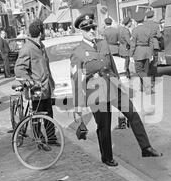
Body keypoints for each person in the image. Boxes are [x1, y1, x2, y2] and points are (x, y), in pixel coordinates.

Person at [70, 13, 161, 167]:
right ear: (81, 31)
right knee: (104, 126)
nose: (92, 31)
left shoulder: (103, 43)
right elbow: (76, 81)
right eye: (87, 29)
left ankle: (146, 147)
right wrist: (78, 110)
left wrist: (120, 84)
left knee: (133, 114)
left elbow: (111, 66)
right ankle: (106, 157)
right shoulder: (78, 52)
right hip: (96, 92)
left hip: (113, 86)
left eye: (93, 27)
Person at [14, 19, 59, 145]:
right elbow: (19, 68)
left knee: (48, 113)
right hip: (36, 88)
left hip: (45, 86)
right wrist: (29, 82)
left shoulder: (41, 46)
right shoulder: (28, 48)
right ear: (41, 33)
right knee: (38, 115)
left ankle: (51, 138)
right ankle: (38, 138)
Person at [130, 11, 153, 94]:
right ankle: (145, 89)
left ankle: (147, 85)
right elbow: (151, 43)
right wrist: (151, 54)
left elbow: (133, 44)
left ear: (136, 21)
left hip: (138, 51)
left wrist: (131, 54)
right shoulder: (148, 29)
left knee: (139, 70)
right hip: (147, 51)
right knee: (145, 71)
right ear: (143, 19)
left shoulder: (135, 30)